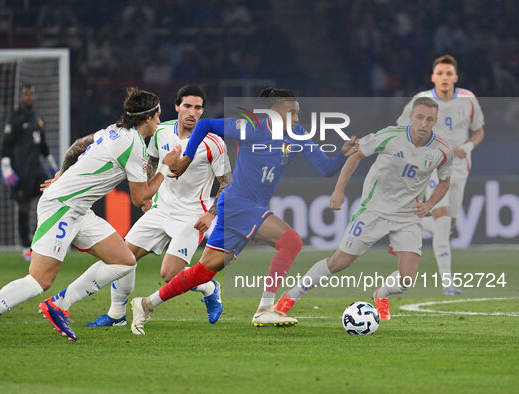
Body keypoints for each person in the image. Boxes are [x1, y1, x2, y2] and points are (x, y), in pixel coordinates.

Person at [0, 88, 176, 346]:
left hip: (79, 209)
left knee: (124, 261)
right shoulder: (134, 145)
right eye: (158, 115)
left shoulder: (113, 130)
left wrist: (63, 174)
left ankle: (59, 305)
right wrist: (166, 166)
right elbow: (140, 198)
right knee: (39, 280)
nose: (160, 120)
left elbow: (79, 144)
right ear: (147, 117)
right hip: (62, 207)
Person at [129, 88, 359, 335]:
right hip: (239, 203)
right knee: (291, 242)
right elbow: (205, 123)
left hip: (241, 207)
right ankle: (265, 309)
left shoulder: (297, 134)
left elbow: (325, 168)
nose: (296, 119)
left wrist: (342, 155)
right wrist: (186, 157)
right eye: (292, 112)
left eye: (297, 113)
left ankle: (146, 304)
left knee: (203, 271)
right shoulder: (251, 128)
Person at [274, 97, 453, 321]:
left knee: (407, 280)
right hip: (374, 211)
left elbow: (445, 181)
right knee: (339, 262)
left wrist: (429, 204)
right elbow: (356, 154)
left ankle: (381, 295)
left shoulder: (443, 150)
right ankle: (291, 295)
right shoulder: (390, 136)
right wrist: (338, 190)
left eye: (429, 119)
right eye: (419, 117)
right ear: (411, 117)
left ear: (435, 121)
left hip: (407, 216)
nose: (423, 124)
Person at [73, 86, 231, 327]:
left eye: (198, 107)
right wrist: (148, 195)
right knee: (122, 258)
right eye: (187, 106)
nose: (192, 112)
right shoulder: (161, 131)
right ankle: (117, 315)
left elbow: (226, 183)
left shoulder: (214, 143)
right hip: (159, 210)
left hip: (191, 216)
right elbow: (153, 160)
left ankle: (210, 288)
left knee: (169, 274)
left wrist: (211, 215)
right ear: (177, 107)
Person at [394, 54, 484, 295]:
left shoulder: (468, 99)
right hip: (432, 166)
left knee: (447, 225)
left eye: (448, 74)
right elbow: (402, 128)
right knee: (443, 219)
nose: (444, 78)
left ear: (455, 76)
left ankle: (407, 224)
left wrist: (467, 147)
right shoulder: (420, 101)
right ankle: (448, 283)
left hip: (460, 168)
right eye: (440, 74)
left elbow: (479, 131)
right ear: (433, 77)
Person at [1, 84, 59, 261]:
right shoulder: (15, 119)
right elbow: (6, 147)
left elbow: (44, 147)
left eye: (31, 95)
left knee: (50, 198)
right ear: (21, 97)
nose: (28, 98)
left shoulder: (38, 119)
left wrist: (54, 167)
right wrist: (6, 169)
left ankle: (36, 239)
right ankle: (26, 246)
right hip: (21, 171)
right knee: (23, 207)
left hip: (37, 171)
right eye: (25, 95)